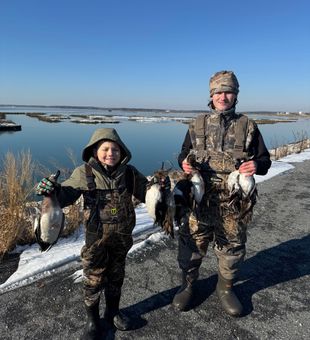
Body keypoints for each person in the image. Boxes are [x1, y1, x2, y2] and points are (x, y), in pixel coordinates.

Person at [173, 70, 271, 316]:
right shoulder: (197, 124)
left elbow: (265, 160)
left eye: (228, 92)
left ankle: (225, 287)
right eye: (218, 92)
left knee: (232, 247)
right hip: (199, 198)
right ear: (211, 95)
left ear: (236, 95)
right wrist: (184, 164)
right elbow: (182, 154)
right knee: (191, 245)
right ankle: (188, 285)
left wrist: (256, 165)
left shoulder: (248, 125)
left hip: (234, 201)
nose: (223, 96)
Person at [36, 128, 151, 339]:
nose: (110, 153)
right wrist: (52, 191)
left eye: (115, 149)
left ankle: (112, 313)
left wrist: (160, 185)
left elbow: (147, 193)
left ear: (122, 151)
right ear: (95, 150)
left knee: (116, 277)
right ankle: (92, 321)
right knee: (93, 281)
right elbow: (66, 195)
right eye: (105, 149)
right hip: (95, 240)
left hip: (122, 239)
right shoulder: (84, 173)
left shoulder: (129, 172)